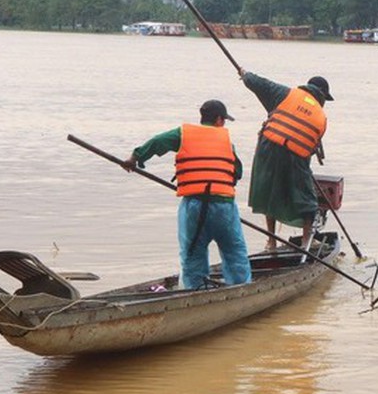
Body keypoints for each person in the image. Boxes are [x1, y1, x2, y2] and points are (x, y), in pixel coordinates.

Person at [121, 99, 252, 289]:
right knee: (234, 252)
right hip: (223, 206)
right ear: (218, 120)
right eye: (223, 120)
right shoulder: (226, 143)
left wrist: (135, 158)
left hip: (194, 206)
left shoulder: (183, 134)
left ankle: (194, 291)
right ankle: (242, 289)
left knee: (193, 254)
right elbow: (236, 173)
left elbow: (158, 142)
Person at [238, 68, 333, 251]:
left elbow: (257, 83)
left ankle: (271, 242)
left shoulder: (285, 94)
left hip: (268, 149)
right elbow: (310, 148)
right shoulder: (321, 117)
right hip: (296, 157)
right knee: (308, 201)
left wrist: (245, 75)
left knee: (269, 194)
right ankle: (306, 243)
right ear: (322, 96)